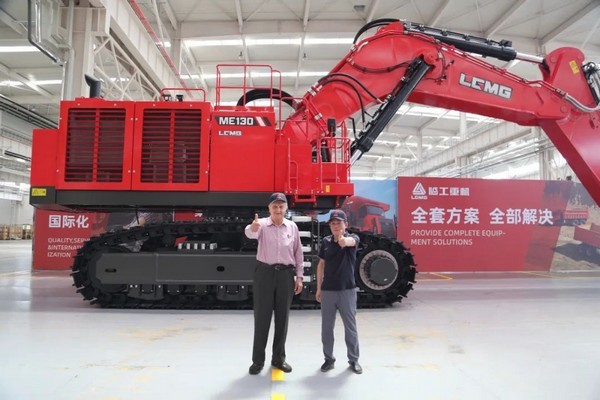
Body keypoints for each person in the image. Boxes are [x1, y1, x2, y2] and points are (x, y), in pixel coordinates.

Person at [244, 192, 304, 375]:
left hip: (286, 275)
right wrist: (252, 227)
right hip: (265, 274)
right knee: (262, 318)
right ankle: (258, 361)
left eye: (281, 206)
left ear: (286, 208)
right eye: (275, 206)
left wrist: (299, 277)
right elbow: (249, 233)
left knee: (282, 319)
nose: (278, 209)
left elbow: (298, 252)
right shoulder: (261, 224)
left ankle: (279, 358)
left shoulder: (292, 227)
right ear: (269, 209)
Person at [316, 209, 362, 374]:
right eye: (333, 224)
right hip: (328, 291)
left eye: (339, 223)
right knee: (327, 328)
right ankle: (328, 359)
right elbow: (321, 265)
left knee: (350, 327)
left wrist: (343, 240)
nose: (336, 226)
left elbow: (349, 242)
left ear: (346, 224)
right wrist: (319, 288)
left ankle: (354, 360)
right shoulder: (326, 242)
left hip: (347, 291)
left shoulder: (353, 238)